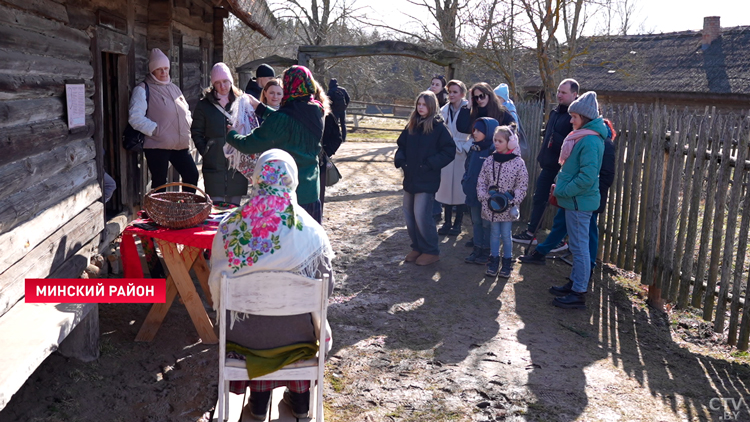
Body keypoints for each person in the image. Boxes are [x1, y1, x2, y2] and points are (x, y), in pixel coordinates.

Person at [208, 149, 335, 420]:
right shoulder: (312, 232)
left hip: (245, 336)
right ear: (292, 180)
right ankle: (300, 403)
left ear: (257, 178)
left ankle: (258, 401)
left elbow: (217, 280)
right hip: (295, 338)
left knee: (258, 327)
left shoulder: (230, 227)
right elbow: (327, 289)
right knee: (298, 324)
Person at [519, 118, 617, 280]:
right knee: (561, 223)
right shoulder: (583, 137)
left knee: (588, 233)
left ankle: (587, 269)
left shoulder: (602, 142)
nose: (571, 120)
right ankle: (542, 252)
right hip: (574, 195)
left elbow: (604, 176)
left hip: (586, 198)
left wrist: (580, 193)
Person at [226, 65, 325, 223]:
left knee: (288, 244)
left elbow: (248, 144)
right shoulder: (316, 110)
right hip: (311, 190)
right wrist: (261, 108)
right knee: (308, 241)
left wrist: (231, 134)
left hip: (286, 194)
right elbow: (290, 122)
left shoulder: (283, 118)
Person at [547, 91, 606, 309]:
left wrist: (564, 191)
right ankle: (574, 283)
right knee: (577, 245)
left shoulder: (590, 141)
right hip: (575, 200)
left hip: (579, 201)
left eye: (575, 117)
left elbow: (587, 177)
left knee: (580, 248)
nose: (571, 120)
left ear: (585, 117)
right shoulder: (584, 136)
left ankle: (579, 293)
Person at [512, 79, 579, 246]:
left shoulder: (574, 117)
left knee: (562, 205)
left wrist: (556, 140)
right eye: (559, 91)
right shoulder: (555, 112)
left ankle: (560, 241)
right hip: (548, 165)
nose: (559, 95)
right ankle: (531, 233)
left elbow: (573, 145)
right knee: (539, 198)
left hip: (563, 169)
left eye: (564, 92)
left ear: (574, 95)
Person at [394, 91, 455, 266]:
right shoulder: (411, 125)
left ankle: (430, 250)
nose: (421, 108)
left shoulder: (439, 128)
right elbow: (401, 146)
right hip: (410, 177)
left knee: (422, 215)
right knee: (409, 214)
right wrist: (401, 161)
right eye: (419, 104)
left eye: (424, 104)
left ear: (432, 106)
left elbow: (449, 151)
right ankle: (417, 247)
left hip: (427, 179)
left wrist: (429, 165)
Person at [128, 48, 199, 193]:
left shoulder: (175, 89)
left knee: (191, 175)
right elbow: (135, 117)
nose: (163, 72)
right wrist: (156, 130)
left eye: (166, 68)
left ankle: (185, 211)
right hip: (157, 145)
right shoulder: (143, 89)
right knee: (160, 184)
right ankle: (160, 214)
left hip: (180, 144)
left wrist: (188, 124)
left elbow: (186, 111)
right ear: (152, 71)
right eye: (159, 69)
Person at [191, 63, 253, 205]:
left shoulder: (242, 102)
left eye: (225, 81)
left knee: (234, 208)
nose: (222, 86)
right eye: (217, 83)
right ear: (213, 84)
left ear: (230, 81)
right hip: (214, 162)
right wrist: (206, 150)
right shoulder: (204, 105)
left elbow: (250, 127)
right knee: (215, 207)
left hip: (237, 163)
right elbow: (196, 131)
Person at [476, 124, 528, 278]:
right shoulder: (489, 160)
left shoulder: (519, 163)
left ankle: (506, 261)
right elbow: (482, 181)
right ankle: (493, 260)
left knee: (506, 234)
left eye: (500, 141)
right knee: (494, 233)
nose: (496, 144)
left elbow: (522, 185)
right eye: (495, 140)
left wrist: (513, 200)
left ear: (510, 143)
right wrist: (484, 196)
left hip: (508, 207)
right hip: (492, 206)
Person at [462, 117, 499, 266]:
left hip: (486, 197)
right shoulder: (474, 148)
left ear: (489, 132)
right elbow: (467, 167)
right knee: (476, 222)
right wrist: (465, 181)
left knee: (486, 224)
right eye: (474, 130)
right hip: (472, 193)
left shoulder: (492, 152)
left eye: (479, 131)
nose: (475, 133)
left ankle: (487, 250)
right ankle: (477, 248)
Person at [436, 79, 471, 236]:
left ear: (462, 94)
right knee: (445, 189)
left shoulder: (469, 109)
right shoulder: (443, 110)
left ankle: (458, 224)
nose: (451, 95)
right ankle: (446, 222)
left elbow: (475, 132)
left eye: (455, 92)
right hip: (447, 153)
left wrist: (465, 147)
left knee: (459, 190)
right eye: (449, 92)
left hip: (462, 152)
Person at [315, 85, 343, 213]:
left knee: (318, 196)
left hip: (320, 161)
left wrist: (327, 151)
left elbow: (337, 137)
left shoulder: (328, 116)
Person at [494, 83, 528, 157]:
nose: (496, 100)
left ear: (504, 99)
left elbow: (515, 128)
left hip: (507, 146)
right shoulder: (496, 109)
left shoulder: (510, 111)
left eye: (498, 98)